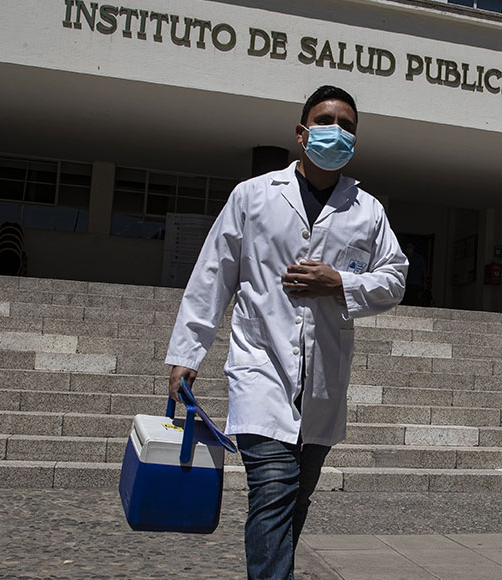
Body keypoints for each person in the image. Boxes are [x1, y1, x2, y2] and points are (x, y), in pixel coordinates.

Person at [164, 85, 407, 580]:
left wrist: (340, 282)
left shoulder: (368, 210)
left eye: (347, 126)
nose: (336, 132)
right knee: (274, 486)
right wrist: (188, 352)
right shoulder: (253, 196)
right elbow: (214, 274)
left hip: (322, 381)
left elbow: (395, 278)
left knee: (295, 498)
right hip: (260, 366)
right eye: (325, 120)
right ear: (301, 132)